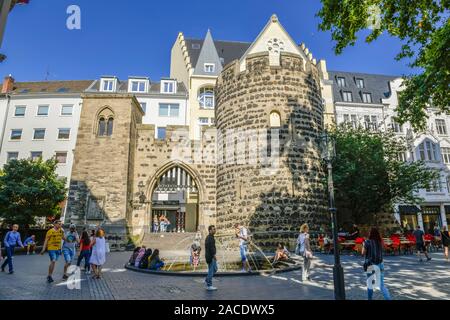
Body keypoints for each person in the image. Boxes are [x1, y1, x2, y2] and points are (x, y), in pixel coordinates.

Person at [362, 227, 391, 300]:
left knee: (370, 284)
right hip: (380, 264)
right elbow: (386, 249)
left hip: (370, 265)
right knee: (381, 285)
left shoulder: (367, 242)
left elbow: (363, 253)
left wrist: (364, 245)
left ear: (370, 234)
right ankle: (388, 299)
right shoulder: (380, 242)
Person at [205, 225, 218, 291]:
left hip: (210, 256)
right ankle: (209, 285)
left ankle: (207, 279)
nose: (214, 230)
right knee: (211, 270)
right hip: (210, 257)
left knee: (215, 269)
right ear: (210, 230)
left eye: (214, 229)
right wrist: (214, 255)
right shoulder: (210, 238)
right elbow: (211, 248)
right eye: (213, 229)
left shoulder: (210, 237)